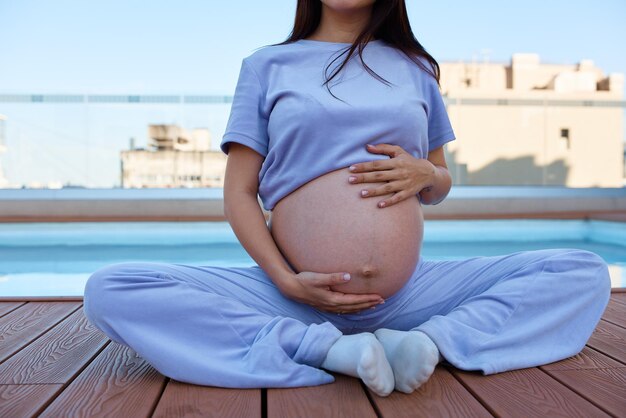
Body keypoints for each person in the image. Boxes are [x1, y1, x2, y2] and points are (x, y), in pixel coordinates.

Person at [83, 0, 611, 397]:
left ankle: (430, 342)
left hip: (409, 297)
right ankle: (324, 347)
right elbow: (239, 193)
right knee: (111, 289)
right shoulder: (267, 66)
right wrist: (285, 279)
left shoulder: (415, 68)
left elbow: (441, 184)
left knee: (581, 271)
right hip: (292, 296)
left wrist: (426, 171)